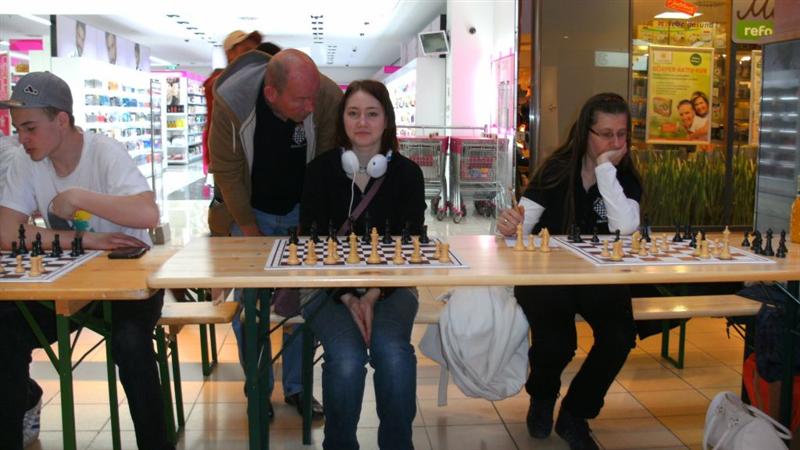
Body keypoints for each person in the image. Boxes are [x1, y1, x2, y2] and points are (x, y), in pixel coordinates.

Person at [0, 71, 173, 450]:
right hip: (69, 283)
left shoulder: (104, 152)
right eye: (18, 129)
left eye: (30, 128)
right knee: (5, 329)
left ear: (61, 120)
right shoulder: (26, 161)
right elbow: (6, 233)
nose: (21, 139)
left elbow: (147, 214)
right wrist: (88, 238)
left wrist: (79, 196)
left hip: (131, 281)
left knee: (130, 345)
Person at [496, 93, 641, 450]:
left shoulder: (625, 176)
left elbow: (624, 227)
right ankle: (542, 399)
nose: (616, 143)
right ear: (585, 133)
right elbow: (521, 226)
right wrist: (508, 226)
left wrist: (606, 169)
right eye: (605, 134)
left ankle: (576, 413)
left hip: (600, 278)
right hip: (548, 276)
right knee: (558, 343)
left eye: (622, 134)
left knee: (620, 336)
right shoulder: (558, 168)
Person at [208, 48, 342, 418]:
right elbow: (228, 172)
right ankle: (258, 389)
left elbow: (327, 163)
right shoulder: (232, 102)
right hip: (251, 211)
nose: (311, 107)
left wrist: (308, 224)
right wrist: (250, 231)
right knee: (248, 311)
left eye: (313, 97)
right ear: (272, 95)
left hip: (303, 208)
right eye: (301, 100)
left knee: (302, 302)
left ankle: (298, 389)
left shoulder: (326, 97)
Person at [299, 79, 426, 450]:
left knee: (393, 353)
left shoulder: (407, 174)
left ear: (386, 119)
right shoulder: (320, 171)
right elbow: (311, 244)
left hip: (392, 287)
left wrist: (371, 295)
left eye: (372, 113)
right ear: (342, 120)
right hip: (325, 288)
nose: (362, 122)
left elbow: (410, 243)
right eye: (353, 113)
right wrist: (347, 296)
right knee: (347, 359)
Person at [201, 30, 262, 176]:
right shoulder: (220, 82)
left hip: (247, 155)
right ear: (230, 53)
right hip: (226, 158)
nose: (252, 55)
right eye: (246, 50)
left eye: (255, 51)